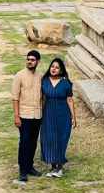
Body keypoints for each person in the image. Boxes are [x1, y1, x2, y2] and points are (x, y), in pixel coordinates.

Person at [11, 49, 44, 184]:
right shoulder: (19, 76)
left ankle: (30, 167)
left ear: (37, 62)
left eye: (32, 60)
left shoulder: (41, 76)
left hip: (37, 115)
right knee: (24, 142)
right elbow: (15, 98)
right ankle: (23, 171)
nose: (29, 62)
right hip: (24, 115)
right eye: (28, 59)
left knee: (33, 142)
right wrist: (16, 116)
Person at [40, 57, 76, 176]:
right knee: (49, 139)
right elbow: (43, 99)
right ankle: (53, 167)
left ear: (61, 70)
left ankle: (59, 168)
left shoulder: (65, 83)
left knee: (61, 139)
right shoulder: (44, 81)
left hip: (63, 115)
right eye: (52, 67)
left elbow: (70, 100)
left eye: (57, 67)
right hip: (48, 114)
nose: (54, 69)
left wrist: (74, 117)